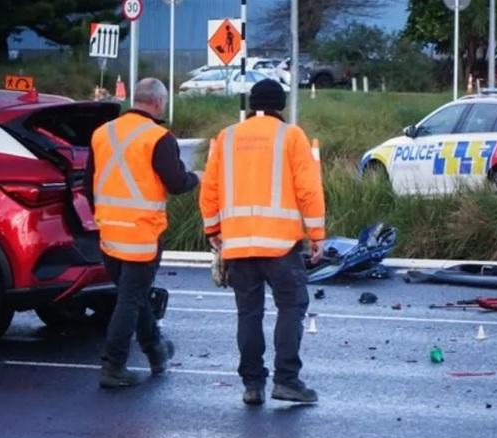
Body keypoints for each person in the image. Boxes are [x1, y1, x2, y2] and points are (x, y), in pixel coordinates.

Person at [200, 79, 325, 405]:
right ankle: (286, 380)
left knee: (248, 314)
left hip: (238, 245)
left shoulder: (227, 137)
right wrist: (316, 235)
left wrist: (213, 229)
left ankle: (252, 385)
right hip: (281, 246)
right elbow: (309, 189)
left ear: (252, 104)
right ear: (280, 105)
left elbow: (209, 188)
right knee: (291, 307)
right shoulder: (291, 136)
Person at [86, 77, 199, 388]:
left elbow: (87, 184)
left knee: (132, 296)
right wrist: (197, 177)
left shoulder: (102, 132)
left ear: (136, 98)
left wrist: (103, 215)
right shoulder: (158, 137)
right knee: (130, 300)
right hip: (141, 235)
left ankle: (155, 349)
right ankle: (113, 365)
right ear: (159, 103)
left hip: (109, 232)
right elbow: (176, 183)